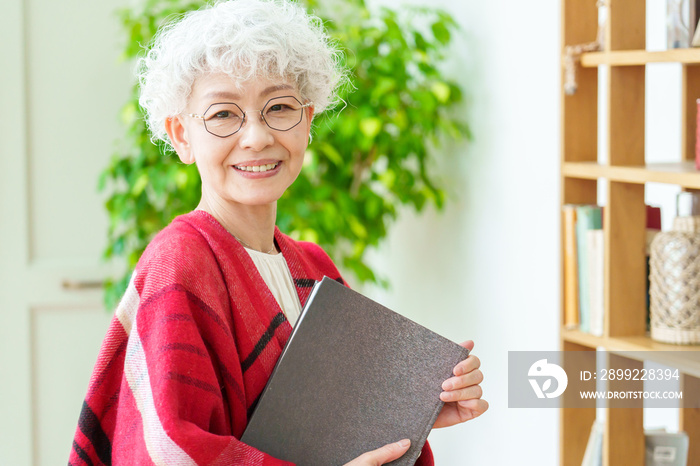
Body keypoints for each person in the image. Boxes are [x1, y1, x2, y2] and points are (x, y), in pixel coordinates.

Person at [69, 0, 488, 464]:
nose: (257, 137)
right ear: (181, 136)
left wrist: (417, 407)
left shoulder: (314, 266)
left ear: (307, 121)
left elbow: (342, 425)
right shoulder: (180, 262)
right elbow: (169, 450)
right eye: (224, 114)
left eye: (279, 107)